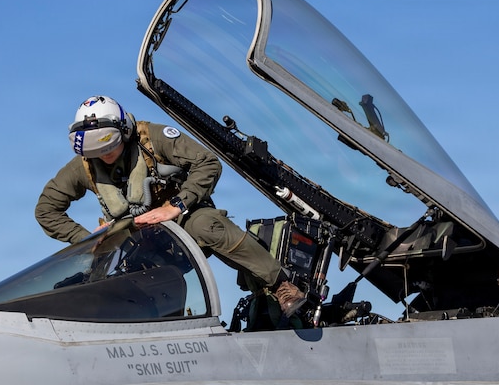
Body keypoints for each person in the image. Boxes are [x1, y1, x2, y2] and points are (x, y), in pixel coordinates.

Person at [35, 95, 307, 317]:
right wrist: (88, 238)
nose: (104, 156)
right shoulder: (85, 165)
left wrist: (176, 205)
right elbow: (46, 209)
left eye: (109, 146)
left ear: (124, 131)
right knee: (121, 287)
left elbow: (208, 162)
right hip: (138, 238)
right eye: (95, 152)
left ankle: (281, 284)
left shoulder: (153, 138)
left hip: (184, 218)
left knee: (208, 226)